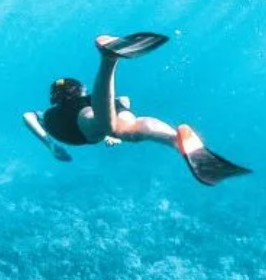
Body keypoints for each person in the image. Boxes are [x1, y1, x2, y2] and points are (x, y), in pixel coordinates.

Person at [22, 33, 250, 186]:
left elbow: (27, 116)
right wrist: (115, 121)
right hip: (104, 107)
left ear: (55, 98)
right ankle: (174, 139)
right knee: (129, 128)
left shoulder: (53, 113)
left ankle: (109, 60)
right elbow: (124, 100)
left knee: (108, 127)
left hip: (76, 124)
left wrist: (50, 145)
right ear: (80, 91)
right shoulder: (86, 101)